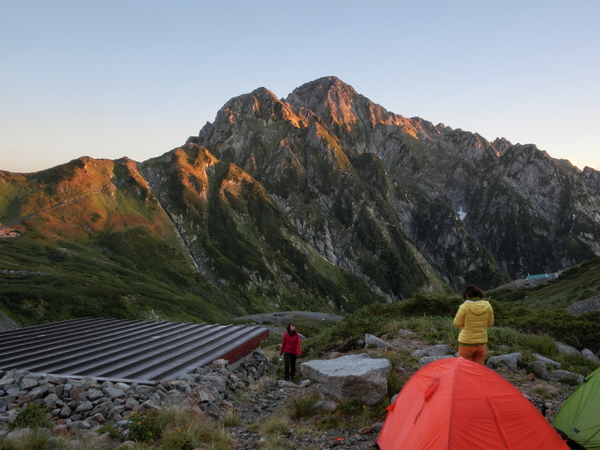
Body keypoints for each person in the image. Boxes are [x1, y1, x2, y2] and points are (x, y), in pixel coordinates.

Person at [453, 284, 494, 365]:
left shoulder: (464, 307)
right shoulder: (488, 306)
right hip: (481, 343)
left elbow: (457, 324)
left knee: (465, 367)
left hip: (466, 343)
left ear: (467, 295)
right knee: (478, 368)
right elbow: (490, 324)